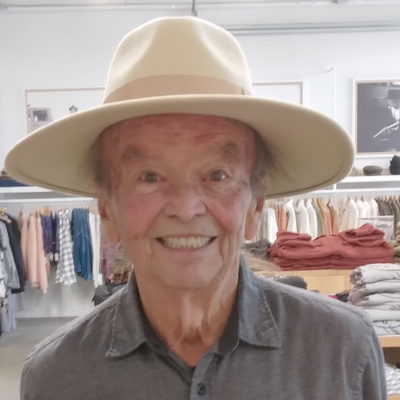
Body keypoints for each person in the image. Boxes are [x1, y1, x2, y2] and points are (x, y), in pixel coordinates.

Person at [5, 16, 386, 400]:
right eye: (149, 177)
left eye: (217, 175)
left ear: (255, 206)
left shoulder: (342, 350)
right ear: (107, 210)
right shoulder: (56, 377)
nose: (186, 209)